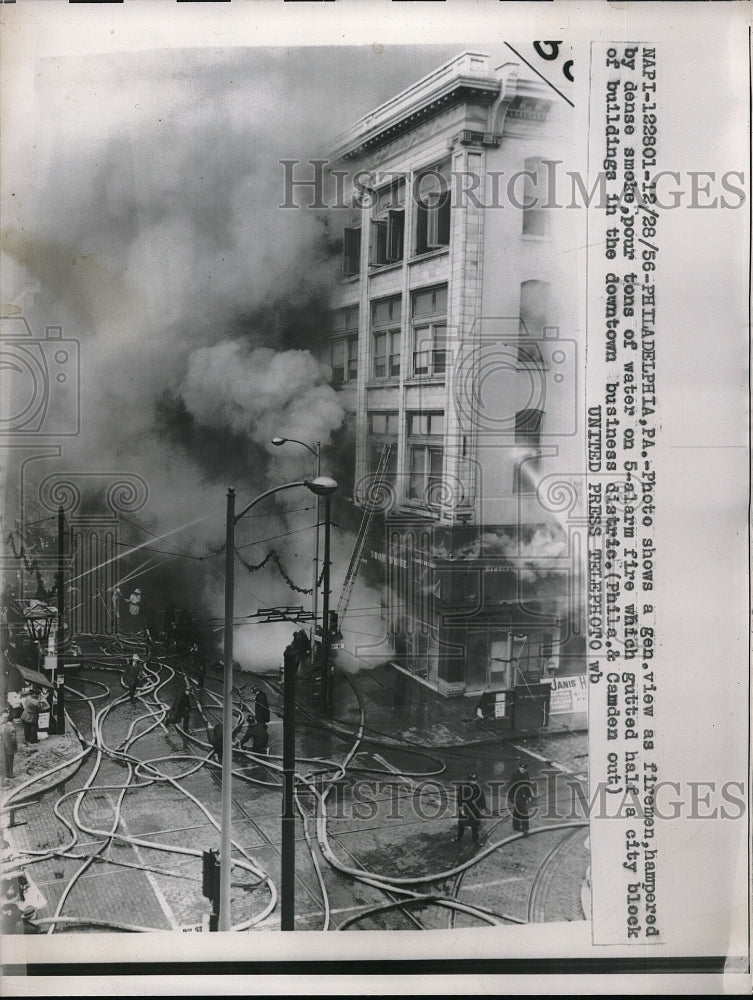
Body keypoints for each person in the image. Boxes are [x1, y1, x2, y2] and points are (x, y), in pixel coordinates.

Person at [455, 772, 487, 844]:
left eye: (475, 780)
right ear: (469, 780)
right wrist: (461, 808)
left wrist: (483, 808)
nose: (473, 782)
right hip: (465, 809)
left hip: (475, 810)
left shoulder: (479, 788)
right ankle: (459, 838)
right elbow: (459, 798)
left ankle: (475, 841)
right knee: (461, 824)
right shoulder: (463, 787)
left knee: (475, 826)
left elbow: (482, 798)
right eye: (472, 780)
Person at [506, 762, 535, 835]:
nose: (523, 769)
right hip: (517, 795)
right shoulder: (515, 775)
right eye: (522, 768)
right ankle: (525, 828)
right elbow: (511, 786)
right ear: (519, 767)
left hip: (524, 796)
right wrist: (511, 797)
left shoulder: (526, 774)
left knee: (517, 811)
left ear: (526, 769)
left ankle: (516, 826)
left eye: (524, 768)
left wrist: (529, 796)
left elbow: (527, 785)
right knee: (524, 811)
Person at [0, 711, 17, 778]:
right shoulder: (11, 728)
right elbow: (13, 739)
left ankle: (4, 772)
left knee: (4, 759)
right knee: (10, 760)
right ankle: (10, 774)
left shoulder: (1, 727)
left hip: (2, 746)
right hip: (9, 747)